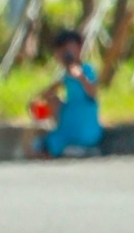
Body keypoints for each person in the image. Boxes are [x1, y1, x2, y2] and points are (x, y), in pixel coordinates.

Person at [36, 28, 102, 158]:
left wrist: (81, 77)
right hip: (68, 123)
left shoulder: (87, 70)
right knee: (52, 100)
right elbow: (45, 94)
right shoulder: (65, 76)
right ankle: (66, 147)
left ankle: (77, 148)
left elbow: (93, 94)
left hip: (85, 128)